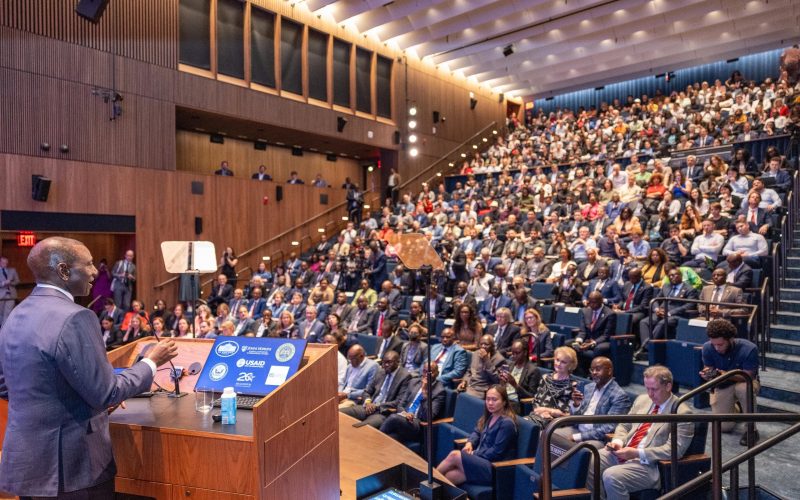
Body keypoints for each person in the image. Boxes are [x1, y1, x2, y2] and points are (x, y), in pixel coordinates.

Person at [0, 236, 178, 498]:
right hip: (73, 468)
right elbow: (106, 393)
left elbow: (7, 384)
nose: (96, 271)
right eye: (89, 264)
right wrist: (151, 362)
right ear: (63, 271)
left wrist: (79, 400)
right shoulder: (75, 317)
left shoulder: (16, 314)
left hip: (30, 465)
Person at [591, 366, 693, 499]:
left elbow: (675, 450)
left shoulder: (681, 412)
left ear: (668, 386)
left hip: (648, 465)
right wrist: (618, 441)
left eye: (654, 389)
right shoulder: (642, 400)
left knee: (611, 476)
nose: (650, 394)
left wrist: (637, 453)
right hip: (624, 450)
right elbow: (624, 424)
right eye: (647, 388)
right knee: (590, 461)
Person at [436, 385, 518, 486]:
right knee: (450, 476)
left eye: (494, 400)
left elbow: (496, 452)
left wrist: (474, 453)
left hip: (494, 468)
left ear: (504, 402)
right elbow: (476, 432)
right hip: (480, 462)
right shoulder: (490, 415)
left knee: (455, 455)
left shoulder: (507, 423)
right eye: (488, 399)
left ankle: (428, 482)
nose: (490, 403)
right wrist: (469, 443)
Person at [700, 319, 760, 445]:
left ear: (731, 339)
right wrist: (708, 375)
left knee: (743, 389)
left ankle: (751, 429)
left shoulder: (749, 348)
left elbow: (747, 377)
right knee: (724, 427)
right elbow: (709, 368)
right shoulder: (707, 348)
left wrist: (724, 374)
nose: (716, 348)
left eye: (720, 344)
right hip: (722, 384)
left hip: (746, 382)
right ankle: (737, 408)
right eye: (714, 344)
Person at [550, 357, 631, 446]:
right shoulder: (589, 387)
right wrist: (576, 405)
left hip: (598, 439)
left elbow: (609, 427)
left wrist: (578, 437)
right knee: (547, 435)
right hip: (576, 429)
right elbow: (575, 417)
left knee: (580, 451)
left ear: (609, 371)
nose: (594, 373)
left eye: (598, 369)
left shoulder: (619, 396)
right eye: (592, 370)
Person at [636, 267, 699, 359]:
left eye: (675, 275)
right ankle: (648, 347)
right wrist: (657, 309)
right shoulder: (666, 286)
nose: (673, 277)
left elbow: (690, 305)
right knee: (644, 322)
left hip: (677, 315)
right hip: (661, 312)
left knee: (663, 323)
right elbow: (656, 299)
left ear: (681, 276)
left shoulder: (690, 289)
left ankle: (646, 348)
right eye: (670, 275)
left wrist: (670, 313)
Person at [339, 349, 411, 429]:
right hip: (368, 407)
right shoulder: (381, 372)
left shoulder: (404, 376)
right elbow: (367, 391)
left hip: (383, 411)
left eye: (389, 362)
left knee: (363, 427)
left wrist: (376, 406)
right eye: (384, 362)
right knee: (340, 413)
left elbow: (398, 402)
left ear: (398, 362)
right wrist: (368, 401)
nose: (386, 365)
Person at [380, 362, 446, 445]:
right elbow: (401, 404)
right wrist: (405, 413)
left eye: (431, 372)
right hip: (403, 418)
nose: (426, 375)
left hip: (417, 424)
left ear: (437, 373)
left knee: (393, 418)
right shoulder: (414, 382)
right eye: (425, 371)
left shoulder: (439, 391)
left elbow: (428, 417)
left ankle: (374, 440)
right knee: (389, 438)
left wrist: (424, 393)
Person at [527, 346, 578, 426]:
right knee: (519, 424)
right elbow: (536, 400)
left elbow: (570, 414)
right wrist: (540, 412)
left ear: (571, 365)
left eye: (563, 362)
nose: (558, 364)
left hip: (556, 422)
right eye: (557, 360)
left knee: (524, 427)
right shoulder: (545, 378)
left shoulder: (573, 385)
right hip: (538, 415)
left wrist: (549, 412)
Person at [573, 291, 616, 375]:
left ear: (601, 301)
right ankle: (579, 373)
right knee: (569, 344)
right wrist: (579, 341)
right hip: (587, 339)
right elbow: (582, 331)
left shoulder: (610, 314)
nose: (592, 305)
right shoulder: (585, 311)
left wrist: (592, 343)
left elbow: (606, 335)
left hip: (601, 341)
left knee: (598, 349)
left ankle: (594, 374)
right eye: (590, 302)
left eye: (594, 302)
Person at [499, 340, 542, 414]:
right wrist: (502, 381)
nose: (514, 356)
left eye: (517, 353)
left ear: (525, 352)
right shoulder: (510, 365)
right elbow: (503, 386)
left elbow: (532, 396)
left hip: (516, 403)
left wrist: (515, 385)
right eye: (512, 353)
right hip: (504, 398)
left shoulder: (533, 370)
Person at [0, 256, 19, 327]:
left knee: (8, 312)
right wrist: (3, 283)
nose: (5, 264)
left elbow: (17, 281)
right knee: (1, 313)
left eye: (6, 262)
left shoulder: (12, 270)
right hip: (1, 296)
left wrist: (10, 282)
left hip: (11, 295)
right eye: (3, 262)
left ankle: (4, 328)